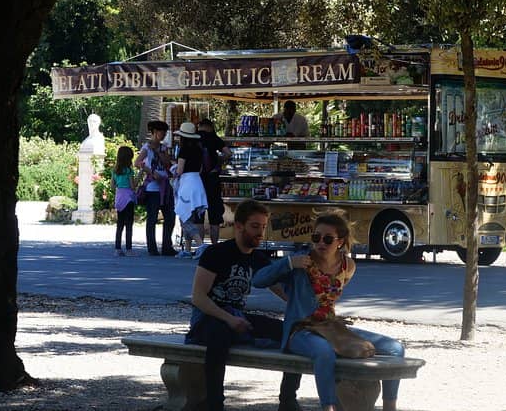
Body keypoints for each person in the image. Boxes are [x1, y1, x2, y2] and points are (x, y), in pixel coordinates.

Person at [253, 210, 405, 411]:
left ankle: (389, 406)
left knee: (396, 349)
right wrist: (288, 263)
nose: (320, 243)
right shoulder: (301, 263)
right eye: (316, 237)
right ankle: (329, 407)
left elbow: (329, 296)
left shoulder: (348, 265)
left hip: (331, 328)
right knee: (325, 353)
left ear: (340, 242)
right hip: (301, 330)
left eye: (327, 239)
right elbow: (258, 280)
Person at [186, 199, 302, 411]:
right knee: (219, 335)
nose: (260, 232)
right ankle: (214, 403)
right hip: (207, 319)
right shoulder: (216, 254)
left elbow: (283, 291)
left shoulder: (258, 259)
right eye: (255, 226)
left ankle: (288, 400)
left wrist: (307, 310)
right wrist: (229, 319)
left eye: (263, 227)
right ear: (239, 226)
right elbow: (198, 298)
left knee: (294, 333)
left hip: (238, 316)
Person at [135, 120, 176, 256]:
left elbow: (167, 163)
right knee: (152, 218)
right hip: (152, 187)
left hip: (165, 185)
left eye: (164, 133)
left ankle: (167, 246)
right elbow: (137, 162)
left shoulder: (163, 148)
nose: (163, 135)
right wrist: (151, 172)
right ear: (154, 132)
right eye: (160, 132)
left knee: (170, 216)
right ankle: (152, 248)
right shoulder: (146, 147)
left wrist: (160, 152)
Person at [173, 122, 208, 258]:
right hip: (197, 182)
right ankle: (187, 249)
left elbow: (180, 170)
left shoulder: (183, 150)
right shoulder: (199, 149)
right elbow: (200, 168)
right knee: (190, 216)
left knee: (184, 217)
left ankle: (200, 244)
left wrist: (173, 170)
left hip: (187, 183)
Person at [198, 118, 231, 244]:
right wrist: (218, 161)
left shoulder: (193, 138)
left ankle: (200, 246)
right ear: (210, 126)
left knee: (198, 217)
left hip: (198, 181)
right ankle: (214, 245)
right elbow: (228, 153)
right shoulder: (214, 138)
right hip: (213, 180)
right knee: (215, 217)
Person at [112, 145, 138, 256]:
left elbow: (112, 186)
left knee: (120, 225)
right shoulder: (129, 171)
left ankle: (117, 248)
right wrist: (140, 176)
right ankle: (129, 249)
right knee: (129, 224)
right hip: (128, 198)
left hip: (119, 197)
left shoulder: (115, 171)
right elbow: (133, 186)